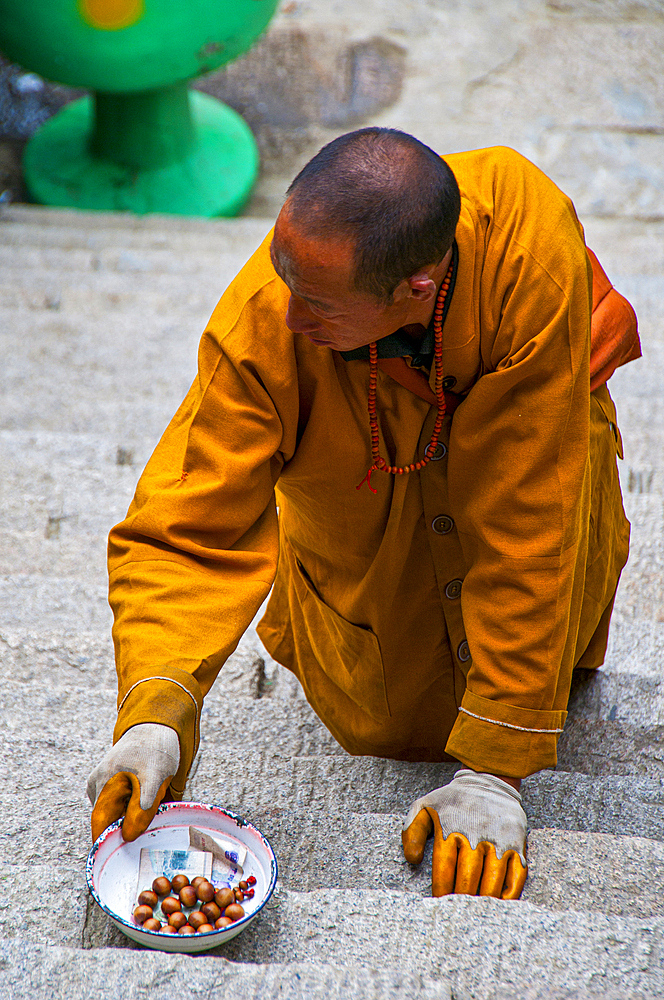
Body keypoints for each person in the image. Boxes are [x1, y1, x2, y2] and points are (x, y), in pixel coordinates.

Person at [87, 128, 640, 900]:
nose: (288, 317)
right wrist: (155, 706)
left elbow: (529, 516)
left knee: (543, 616)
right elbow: (187, 523)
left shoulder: (525, 256)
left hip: (530, 493)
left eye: (315, 304)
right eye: (285, 281)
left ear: (417, 285)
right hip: (368, 580)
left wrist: (494, 768)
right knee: (391, 717)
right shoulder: (270, 318)